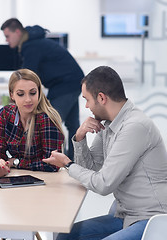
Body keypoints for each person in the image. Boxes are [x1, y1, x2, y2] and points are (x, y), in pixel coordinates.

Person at [44, 66, 167, 240]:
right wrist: (79, 138)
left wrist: (67, 164)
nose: (86, 106)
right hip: (125, 216)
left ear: (101, 98)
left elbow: (103, 184)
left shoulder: (134, 126)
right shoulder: (109, 124)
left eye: (87, 100)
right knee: (66, 237)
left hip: (151, 219)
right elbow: (90, 170)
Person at [0, 18, 84, 160]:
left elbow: (27, 76)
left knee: (50, 123)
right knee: (72, 124)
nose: (7, 41)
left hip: (65, 84)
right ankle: (74, 161)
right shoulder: (35, 42)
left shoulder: (30, 46)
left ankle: (53, 160)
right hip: (73, 81)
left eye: (7, 36)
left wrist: (16, 96)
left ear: (18, 32)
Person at [0, 69, 65, 177]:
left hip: (46, 180)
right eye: (21, 94)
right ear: (12, 95)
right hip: (18, 177)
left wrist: (15, 162)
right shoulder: (5, 114)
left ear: (39, 92)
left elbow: (52, 164)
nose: (28, 99)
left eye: (33, 93)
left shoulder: (47, 119)